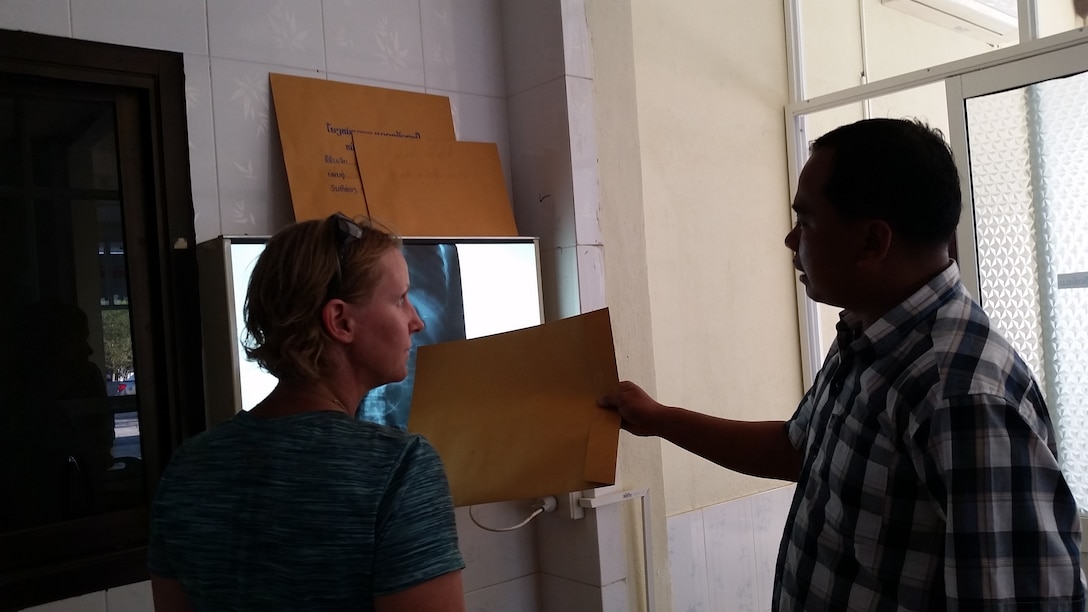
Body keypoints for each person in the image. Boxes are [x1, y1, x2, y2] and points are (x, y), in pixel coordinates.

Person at [600, 118, 1085, 611]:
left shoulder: (959, 393)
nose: (792, 241)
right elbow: (797, 450)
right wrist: (658, 418)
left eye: (806, 221)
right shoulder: (867, 333)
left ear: (874, 242)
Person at [148, 213, 466, 611]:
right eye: (400, 299)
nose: (416, 321)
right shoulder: (398, 470)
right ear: (339, 321)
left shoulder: (188, 468)